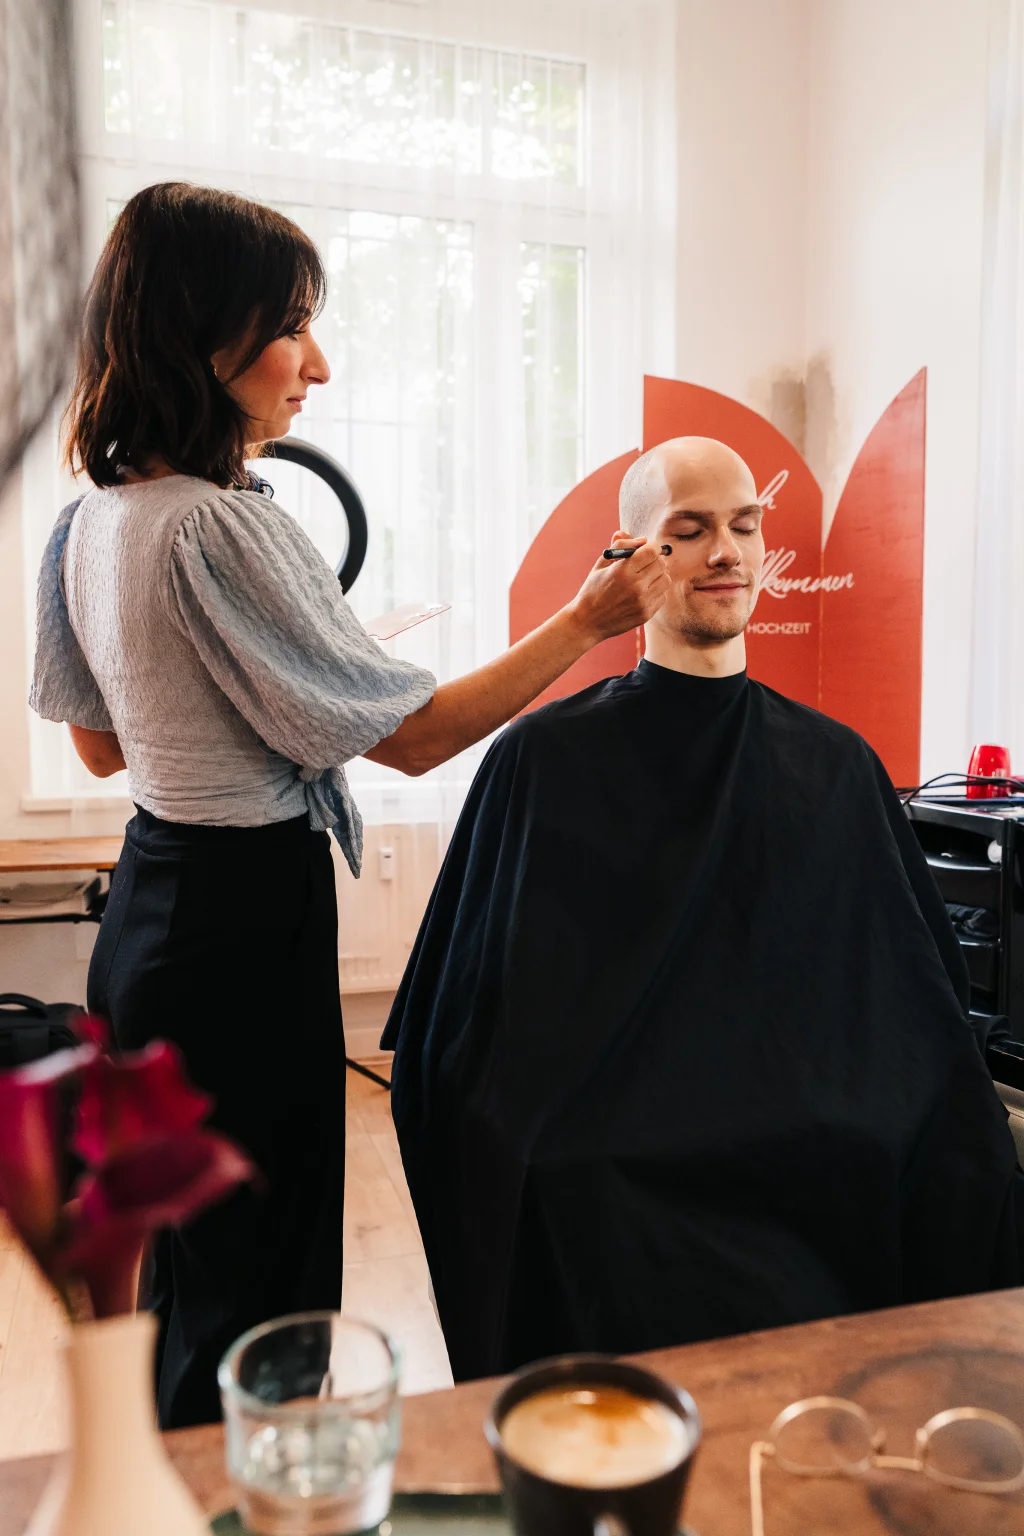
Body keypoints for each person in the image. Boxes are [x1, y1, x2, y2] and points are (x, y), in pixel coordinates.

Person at [29, 182, 670, 1427]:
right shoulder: (226, 525)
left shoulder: (88, 522)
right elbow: (421, 739)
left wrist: (294, 673)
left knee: (186, 1264)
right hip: (238, 929)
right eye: (293, 327)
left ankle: (170, 1486)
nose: (317, 365)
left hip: (148, 915)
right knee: (266, 1288)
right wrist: (589, 620)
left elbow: (106, 746)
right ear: (199, 335)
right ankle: (245, 1494)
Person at [383, 434, 1024, 1383]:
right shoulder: (544, 759)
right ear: (632, 557)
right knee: (575, 1184)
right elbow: (463, 1030)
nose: (726, 551)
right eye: (689, 531)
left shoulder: (839, 763)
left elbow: (911, 1005)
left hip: (812, 1119)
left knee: (944, 1144)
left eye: (744, 526)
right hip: (612, 1141)